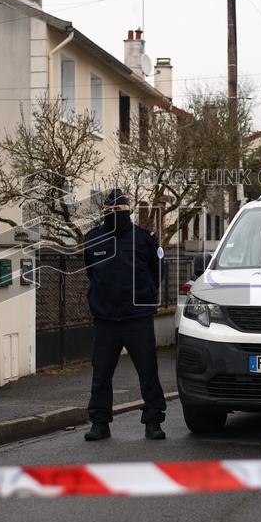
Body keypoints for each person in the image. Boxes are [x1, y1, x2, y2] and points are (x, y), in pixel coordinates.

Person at [81, 189, 168, 441]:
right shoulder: (93, 238)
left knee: (148, 371)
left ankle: (153, 421)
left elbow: (156, 272)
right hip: (105, 319)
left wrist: (143, 295)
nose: (113, 215)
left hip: (137, 319)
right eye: (108, 211)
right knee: (101, 374)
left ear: (128, 211)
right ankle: (99, 423)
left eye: (118, 210)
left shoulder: (144, 239)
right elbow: (91, 272)